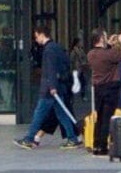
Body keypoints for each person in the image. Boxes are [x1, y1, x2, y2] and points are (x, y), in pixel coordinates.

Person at [17, 18, 82, 147]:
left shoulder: (49, 50)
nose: (36, 40)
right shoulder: (56, 47)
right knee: (62, 114)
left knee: (39, 114)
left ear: (42, 35)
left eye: (36, 37)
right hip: (56, 88)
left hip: (49, 90)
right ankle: (72, 138)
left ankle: (29, 138)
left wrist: (52, 86)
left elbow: (50, 69)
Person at [86, 25, 121, 156]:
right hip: (110, 87)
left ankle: (96, 145)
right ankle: (102, 146)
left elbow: (108, 54)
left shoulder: (91, 54)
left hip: (98, 88)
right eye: (105, 36)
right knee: (107, 117)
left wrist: (111, 45)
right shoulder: (108, 54)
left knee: (99, 117)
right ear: (102, 38)